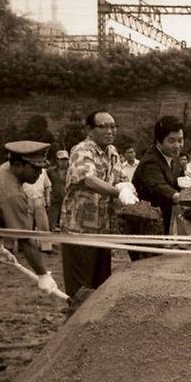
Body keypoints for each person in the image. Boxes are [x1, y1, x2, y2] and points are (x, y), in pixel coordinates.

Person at [0, 141, 62, 382]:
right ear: (17, 165)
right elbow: (26, 241)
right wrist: (43, 274)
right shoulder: (12, 193)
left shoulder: (0, 174)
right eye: (35, 168)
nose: (40, 173)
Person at [60, 111, 135, 298]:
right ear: (90, 130)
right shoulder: (82, 150)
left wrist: (128, 191)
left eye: (113, 126)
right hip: (79, 232)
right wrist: (118, 192)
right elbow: (88, 180)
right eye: (103, 126)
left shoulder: (113, 153)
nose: (110, 131)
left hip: (103, 231)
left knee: (100, 288)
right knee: (80, 291)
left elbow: (121, 180)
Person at [132, 116, 183, 236]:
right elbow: (159, 186)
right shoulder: (150, 162)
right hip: (145, 226)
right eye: (172, 141)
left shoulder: (172, 158)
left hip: (162, 222)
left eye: (180, 140)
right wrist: (185, 198)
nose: (177, 145)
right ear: (158, 141)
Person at [23, 168, 52, 252]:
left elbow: (47, 186)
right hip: (26, 200)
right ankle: (28, 247)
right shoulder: (25, 171)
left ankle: (46, 247)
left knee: (43, 225)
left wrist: (48, 199)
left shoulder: (43, 172)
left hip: (39, 199)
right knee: (27, 225)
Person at [46, 150, 68, 230]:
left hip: (67, 200)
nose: (63, 162)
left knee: (67, 223)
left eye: (65, 159)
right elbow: (45, 183)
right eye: (61, 159)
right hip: (54, 200)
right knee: (51, 223)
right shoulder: (50, 171)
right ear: (57, 160)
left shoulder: (70, 171)